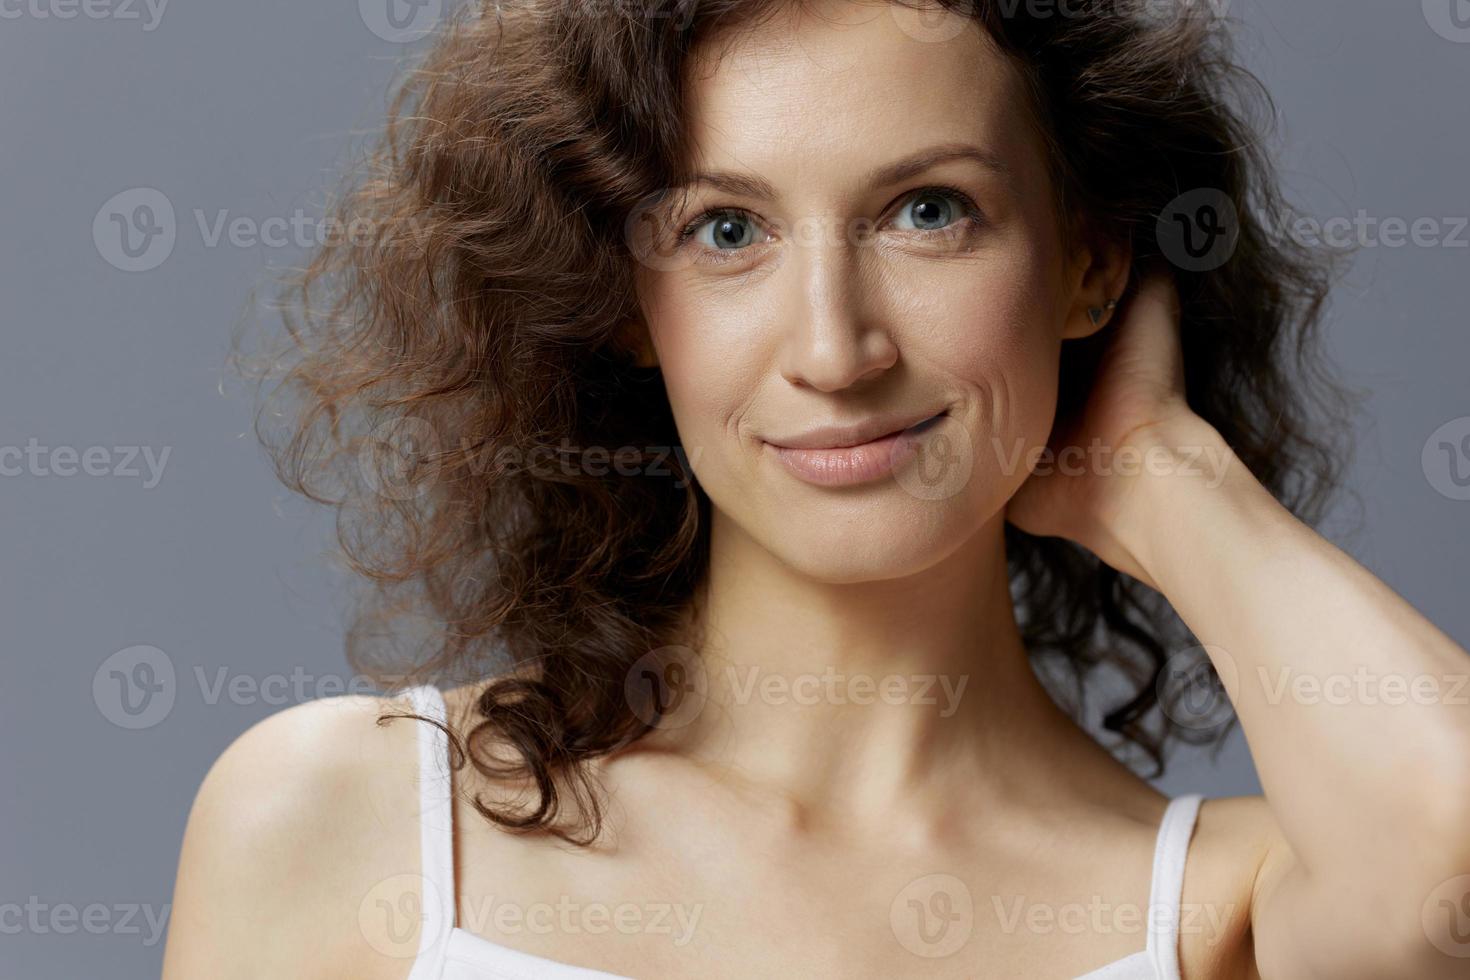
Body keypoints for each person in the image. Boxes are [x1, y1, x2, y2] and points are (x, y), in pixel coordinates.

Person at [163, 2, 1470, 977]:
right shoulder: (354, 820)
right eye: (725, 231)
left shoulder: (1211, 910)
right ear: (624, 301)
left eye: (928, 213)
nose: (837, 351)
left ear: (1085, 264)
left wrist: (1159, 472)